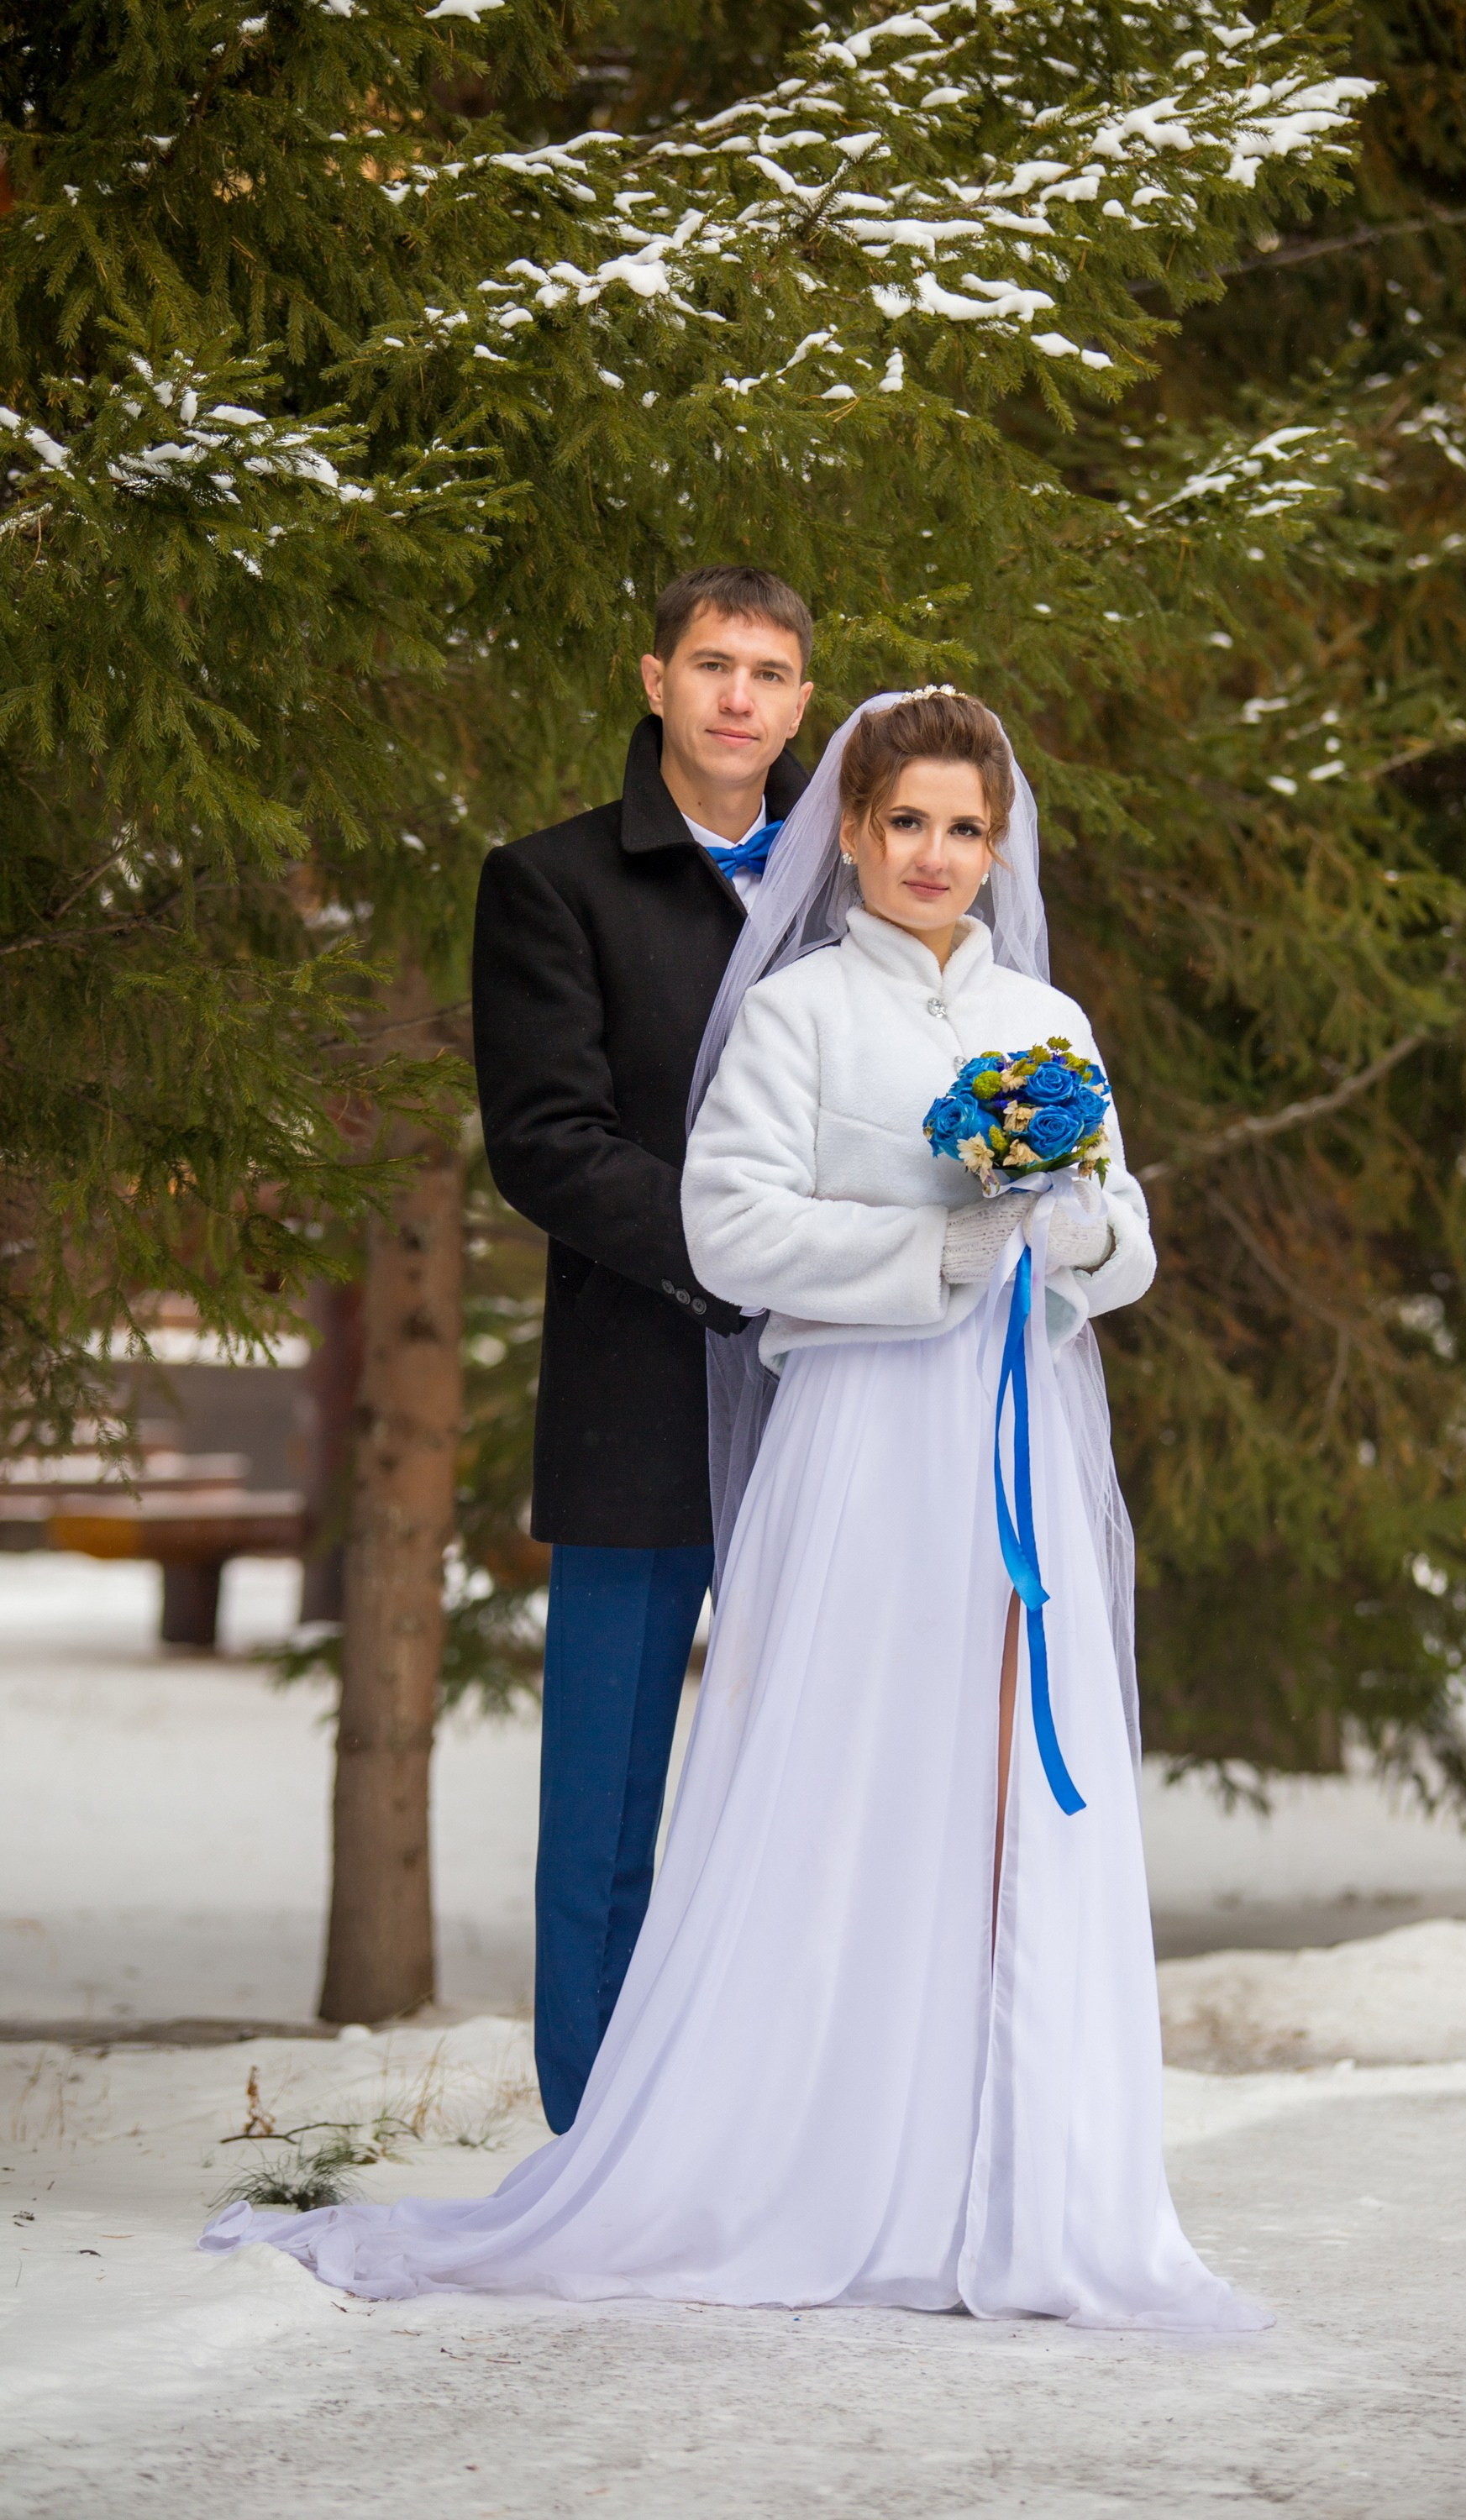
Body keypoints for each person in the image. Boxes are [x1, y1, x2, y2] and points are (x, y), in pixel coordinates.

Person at [203, 691, 1265, 2333]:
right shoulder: (797, 1014)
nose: (930, 856)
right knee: (847, 1783)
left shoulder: (1048, 1018)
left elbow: (1122, 1241)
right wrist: (932, 1252)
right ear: (847, 832)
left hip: (1012, 1455)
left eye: (960, 829)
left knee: (997, 1791)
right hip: (859, 1438)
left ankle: (1006, 2172)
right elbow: (734, 1225)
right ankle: (823, 2159)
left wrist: (1054, 1223)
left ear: (998, 845)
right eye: (901, 823)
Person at [468, 566, 812, 2132]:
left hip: (842, 1400)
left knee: (818, 1770)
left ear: (807, 701)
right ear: (656, 680)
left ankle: (784, 2119)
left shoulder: (860, 881)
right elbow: (548, 1144)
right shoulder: (551, 884)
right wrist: (749, 1264)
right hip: (641, 1387)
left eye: (772, 672)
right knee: (606, 1796)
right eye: (712, 665)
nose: (740, 697)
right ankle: (593, 2134)